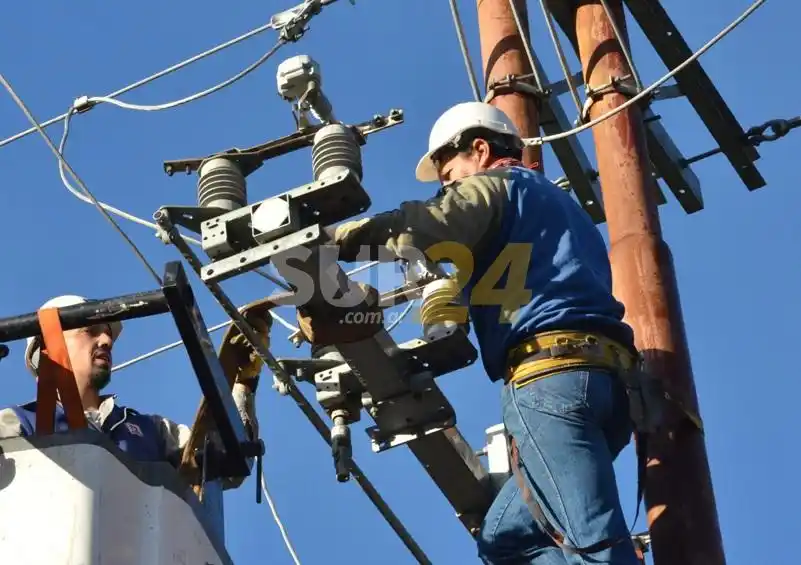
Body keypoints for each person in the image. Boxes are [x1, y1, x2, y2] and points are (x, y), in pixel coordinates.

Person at [328, 102, 642, 564]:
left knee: (591, 541)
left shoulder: (497, 186)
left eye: (449, 175)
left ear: (479, 149)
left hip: (549, 380)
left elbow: (429, 225)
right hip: (608, 387)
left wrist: (338, 239)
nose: (447, 187)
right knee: (506, 539)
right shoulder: (554, 207)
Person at [0, 294, 259, 489]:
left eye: (107, 334)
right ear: (47, 349)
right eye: (90, 331)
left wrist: (242, 383)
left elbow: (227, 466)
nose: (106, 341)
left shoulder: (154, 431)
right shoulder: (17, 424)